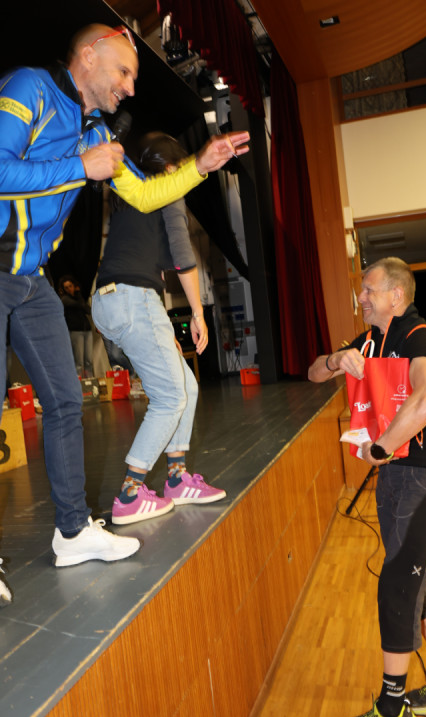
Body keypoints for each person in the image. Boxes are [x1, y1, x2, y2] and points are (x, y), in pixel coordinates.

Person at [0, 22, 249, 590]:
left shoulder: (92, 131)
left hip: (31, 280)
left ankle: (72, 533)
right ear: (89, 56)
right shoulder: (29, 88)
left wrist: (200, 165)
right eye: (124, 72)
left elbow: (144, 192)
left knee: (65, 403)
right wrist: (79, 168)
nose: (130, 88)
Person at [308, 257, 426, 717]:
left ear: (396, 296)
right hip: (394, 473)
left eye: (369, 290)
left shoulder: (423, 337)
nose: (361, 297)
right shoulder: (368, 341)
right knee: (410, 570)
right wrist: (335, 360)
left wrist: (380, 448)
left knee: (399, 581)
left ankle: (391, 706)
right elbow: (313, 373)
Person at [92, 132, 226, 524]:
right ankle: (130, 494)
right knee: (170, 397)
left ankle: (177, 478)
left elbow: (156, 262)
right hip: (133, 298)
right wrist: (197, 314)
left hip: (111, 300)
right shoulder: (165, 190)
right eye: (182, 168)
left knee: (187, 386)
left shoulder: (132, 195)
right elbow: (183, 255)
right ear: (171, 168)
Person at [58, 275, 94, 378]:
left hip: (87, 330)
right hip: (75, 332)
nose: (69, 289)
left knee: (89, 360)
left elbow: (88, 310)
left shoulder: (79, 298)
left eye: (70, 286)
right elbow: (80, 305)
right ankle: (80, 384)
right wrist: (78, 294)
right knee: (79, 362)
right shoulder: (65, 299)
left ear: (74, 285)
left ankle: (91, 382)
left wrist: (79, 295)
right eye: (66, 287)